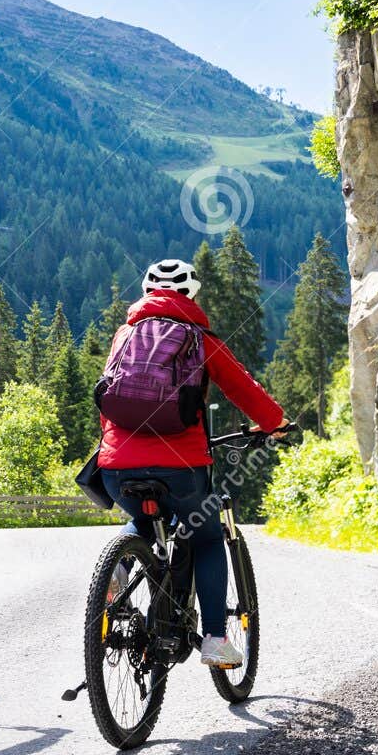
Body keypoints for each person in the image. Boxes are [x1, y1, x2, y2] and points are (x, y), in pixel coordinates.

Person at [95, 259, 288, 667]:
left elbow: (108, 397)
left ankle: (122, 565)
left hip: (116, 466)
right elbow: (243, 388)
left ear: (147, 294)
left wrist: (112, 450)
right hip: (181, 467)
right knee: (206, 536)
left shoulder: (124, 334)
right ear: (191, 295)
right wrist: (274, 423)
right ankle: (216, 640)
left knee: (142, 519)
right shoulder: (200, 339)